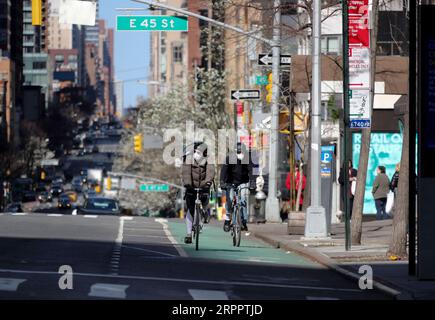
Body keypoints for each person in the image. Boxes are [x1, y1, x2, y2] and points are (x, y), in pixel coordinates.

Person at [182, 142, 215, 244]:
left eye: (199, 152)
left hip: (204, 187)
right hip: (191, 187)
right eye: (195, 151)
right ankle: (188, 234)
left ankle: (204, 212)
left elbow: (210, 172)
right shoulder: (188, 159)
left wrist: (208, 182)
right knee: (190, 209)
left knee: (205, 201)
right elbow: (186, 172)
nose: (197, 153)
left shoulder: (209, 160)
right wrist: (188, 184)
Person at [220, 142, 255, 232]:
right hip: (230, 182)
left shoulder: (247, 158)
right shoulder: (229, 158)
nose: (240, 155)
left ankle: (243, 221)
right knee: (230, 199)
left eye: (242, 153)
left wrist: (252, 182)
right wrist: (222, 182)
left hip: (243, 182)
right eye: (238, 153)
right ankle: (228, 219)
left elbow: (251, 170)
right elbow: (224, 171)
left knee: (243, 199)